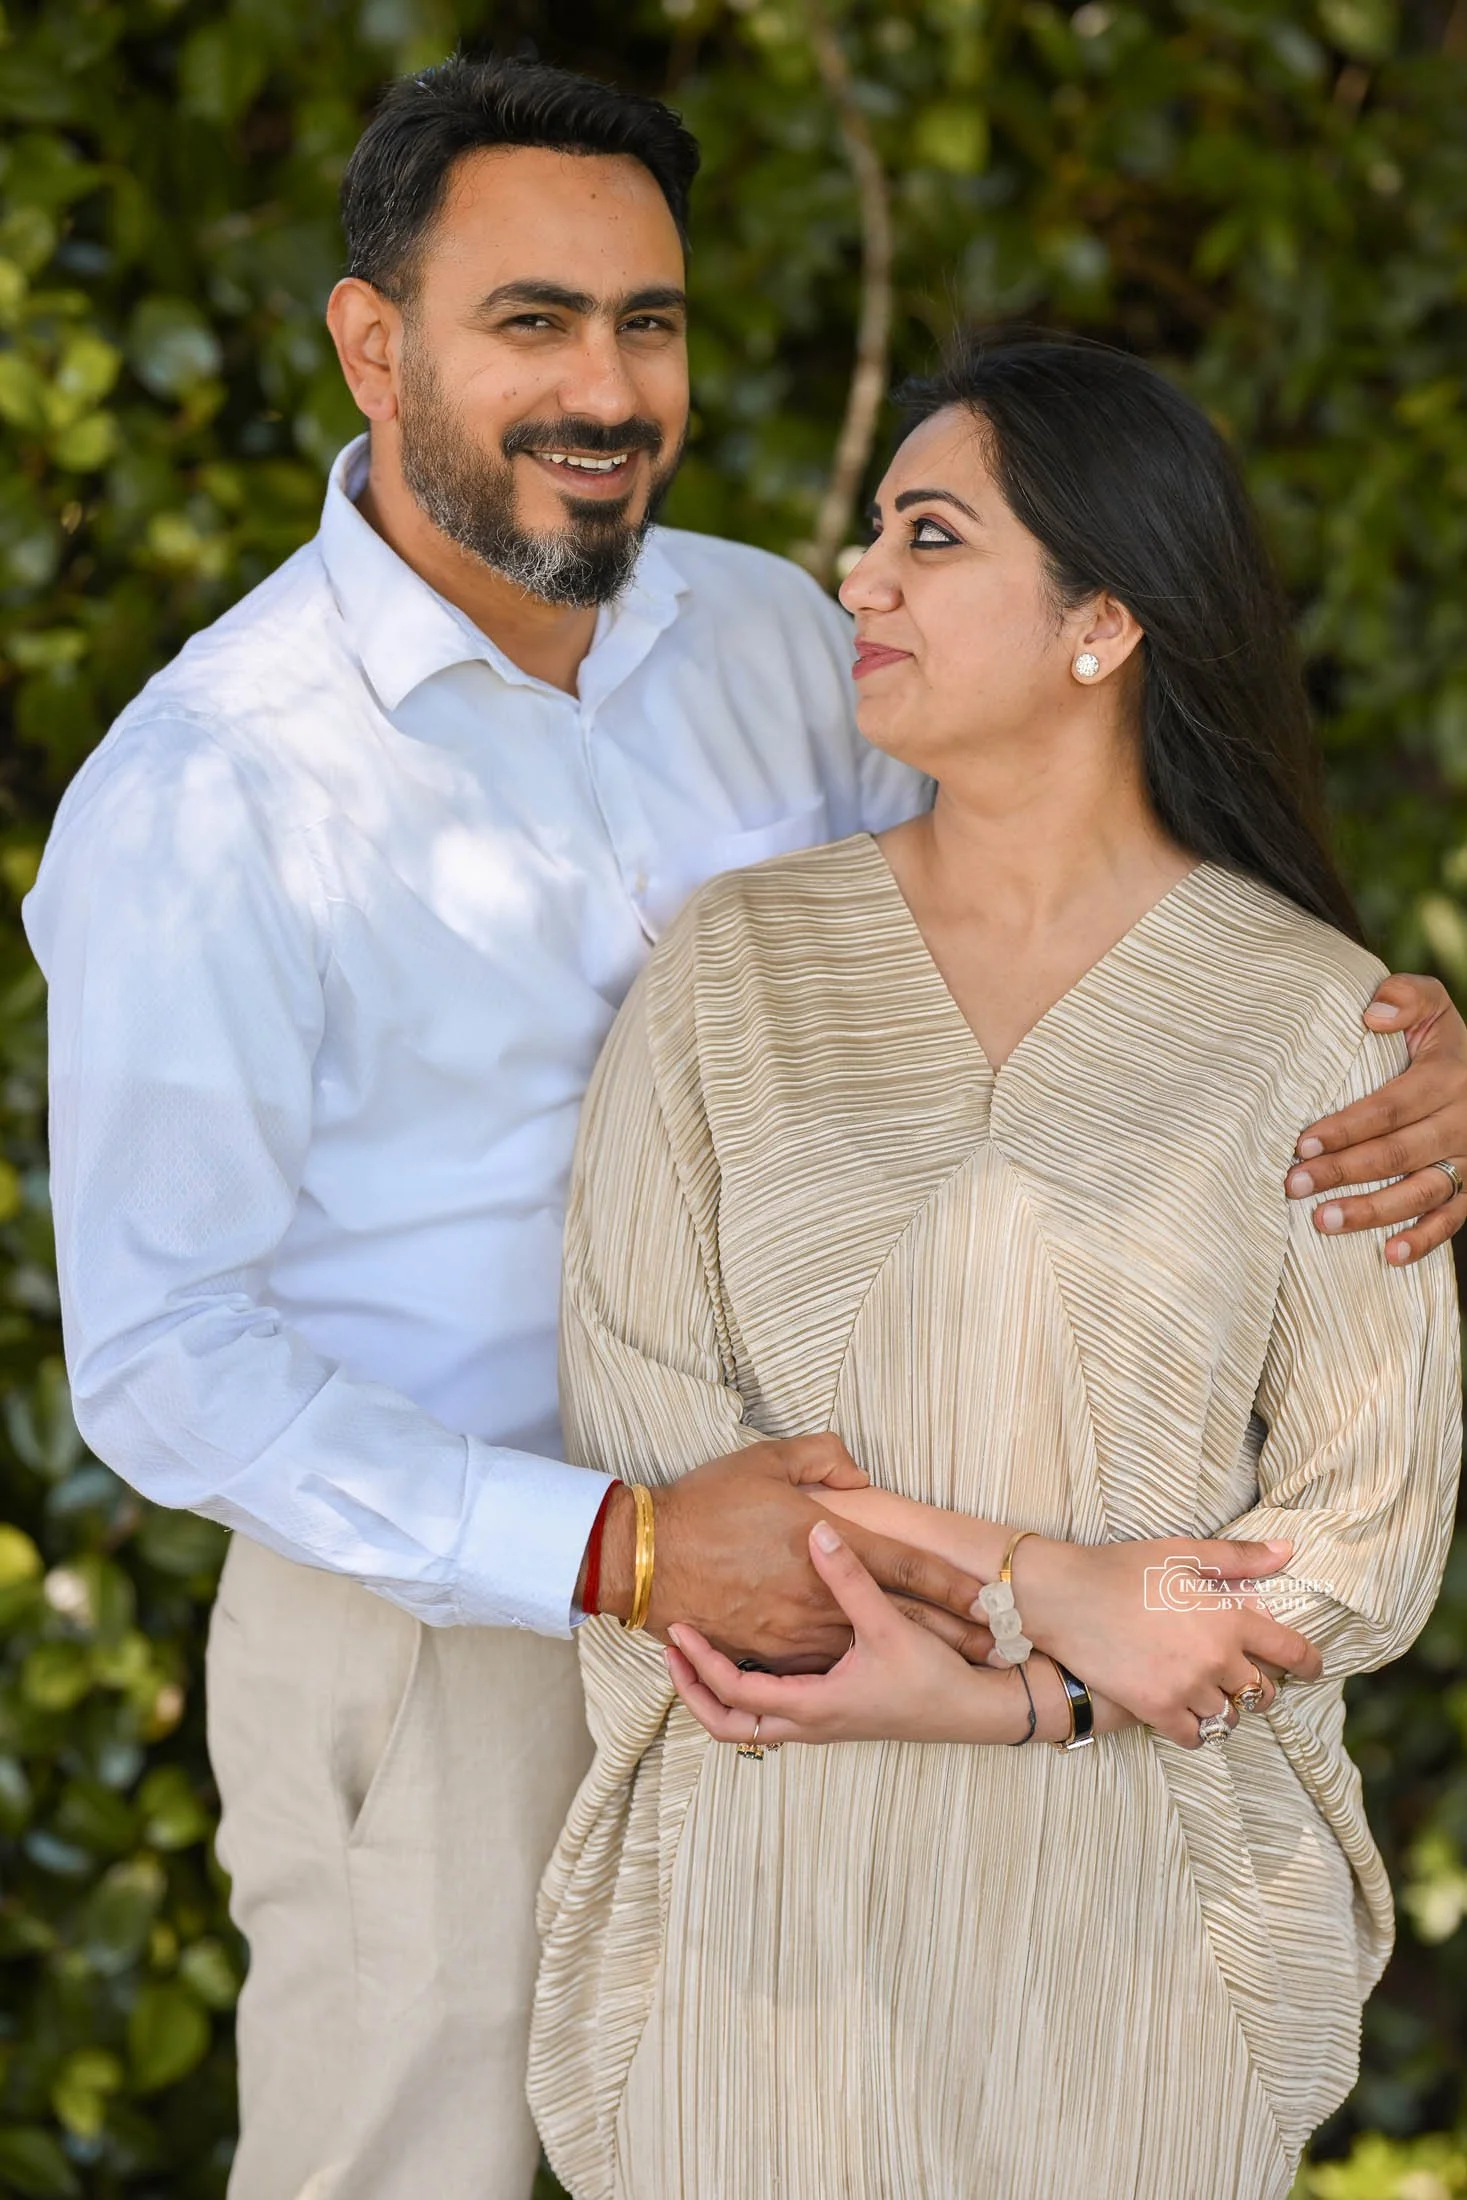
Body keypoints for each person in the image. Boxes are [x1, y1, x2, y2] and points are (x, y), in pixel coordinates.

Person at [17, 54, 1467, 2200]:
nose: (605, 387)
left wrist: (1392, 1039)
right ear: (370, 339)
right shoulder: (215, 788)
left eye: (649, 322)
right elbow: (156, 1356)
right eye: (531, 321)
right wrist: (609, 1542)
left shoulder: (774, 635)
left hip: (876, 1570)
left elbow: (1058, 941)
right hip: (442, 1609)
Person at [528, 337, 1462, 2200]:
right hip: (761, 1913)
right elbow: (651, 1465)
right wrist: (1056, 1590)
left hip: (1144, 1943)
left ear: (1101, 625)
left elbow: (1360, 1531)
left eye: (928, 534)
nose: (858, 577)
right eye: (876, 529)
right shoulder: (732, 973)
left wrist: (1018, 1694)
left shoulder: (1315, 1025)